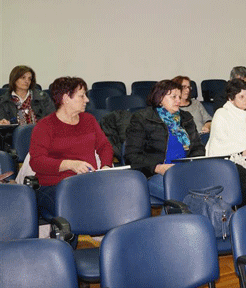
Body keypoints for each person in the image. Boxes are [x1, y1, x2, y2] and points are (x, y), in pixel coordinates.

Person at [30, 77, 113, 215]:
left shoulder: (89, 120)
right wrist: (69, 164)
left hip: (87, 182)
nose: (87, 100)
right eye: (81, 96)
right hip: (54, 186)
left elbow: (104, 146)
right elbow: (37, 162)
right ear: (66, 98)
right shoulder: (44, 126)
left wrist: (106, 166)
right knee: (79, 206)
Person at [125, 79, 204, 201]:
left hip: (185, 173)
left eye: (179, 97)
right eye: (173, 97)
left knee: (206, 189)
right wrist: (157, 167)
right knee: (185, 195)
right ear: (160, 98)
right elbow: (132, 155)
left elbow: (197, 148)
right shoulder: (142, 118)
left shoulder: (186, 118)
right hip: (153, 175)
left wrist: (190, 167)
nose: (178, 101)